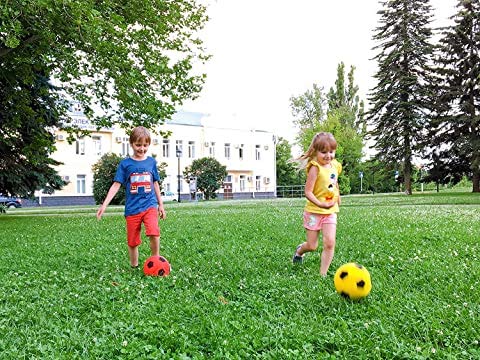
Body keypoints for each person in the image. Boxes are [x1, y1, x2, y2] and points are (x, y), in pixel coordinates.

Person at [96, 126, 166, 268]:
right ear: (131, 143)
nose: (142, 148)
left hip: (150, 205)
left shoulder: (151, 162)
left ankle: (155, 260)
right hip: (132, 209)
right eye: (138, 145)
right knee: (132, 241)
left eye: (145, 145)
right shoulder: (125, 164)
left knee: (154, 231)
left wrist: (161, 205)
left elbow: (155, 184)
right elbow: (116, 185)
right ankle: (134, 266)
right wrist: (104, 204)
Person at [292, 132, 342, 277]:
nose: (328, 156)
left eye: (331, 152)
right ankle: (300, 251)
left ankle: (323, 274)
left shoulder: (335, 166)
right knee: (312, 246)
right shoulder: (315, 168)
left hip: (330, 211)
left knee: (330, 243)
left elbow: (334, 181)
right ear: (316, 151)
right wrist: (320, 204)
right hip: (314, 211)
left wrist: (338, 195)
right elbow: (308, 192)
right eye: (324, 152)